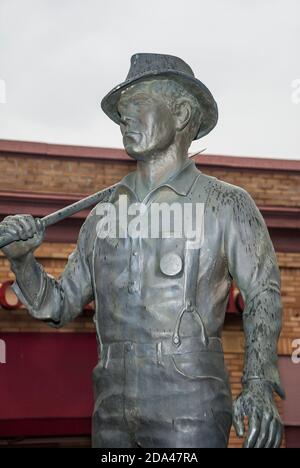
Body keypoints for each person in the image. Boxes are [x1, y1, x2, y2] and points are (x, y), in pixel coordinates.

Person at [1, 53, 284, 448]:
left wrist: (257, 381)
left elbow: (263, 295)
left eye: (136, 105)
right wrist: (22, 260)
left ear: (182, 114)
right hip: (112, 406)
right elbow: (58, 305)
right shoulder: (102, 216)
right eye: (121, 112)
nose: (125, 119)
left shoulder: (226, 204)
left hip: (191, 405)